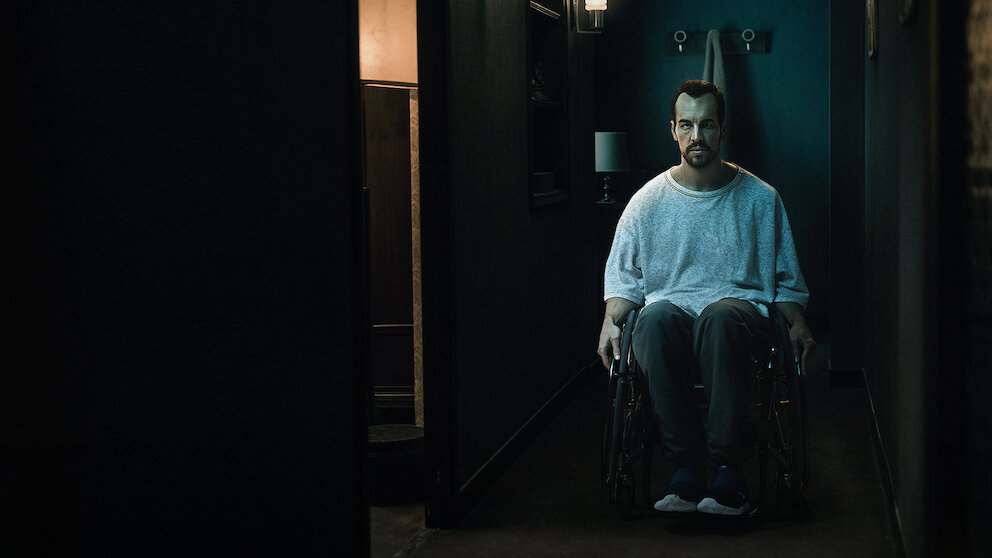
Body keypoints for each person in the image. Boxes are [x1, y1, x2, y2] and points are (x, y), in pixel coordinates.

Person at [596, 79, 817, 516]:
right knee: (653, 318)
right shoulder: (646, 203)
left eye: (707, 125)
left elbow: (786, 279)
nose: (697, 136)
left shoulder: (761, 199)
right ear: (673, 130)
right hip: (671, 318)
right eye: (687, 125)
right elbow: (624, 283)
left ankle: (729, 470)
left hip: (739, 317)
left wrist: (798, 322)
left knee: (719, 318)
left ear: (722, 128)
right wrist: (608, 322)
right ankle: (686, 468)